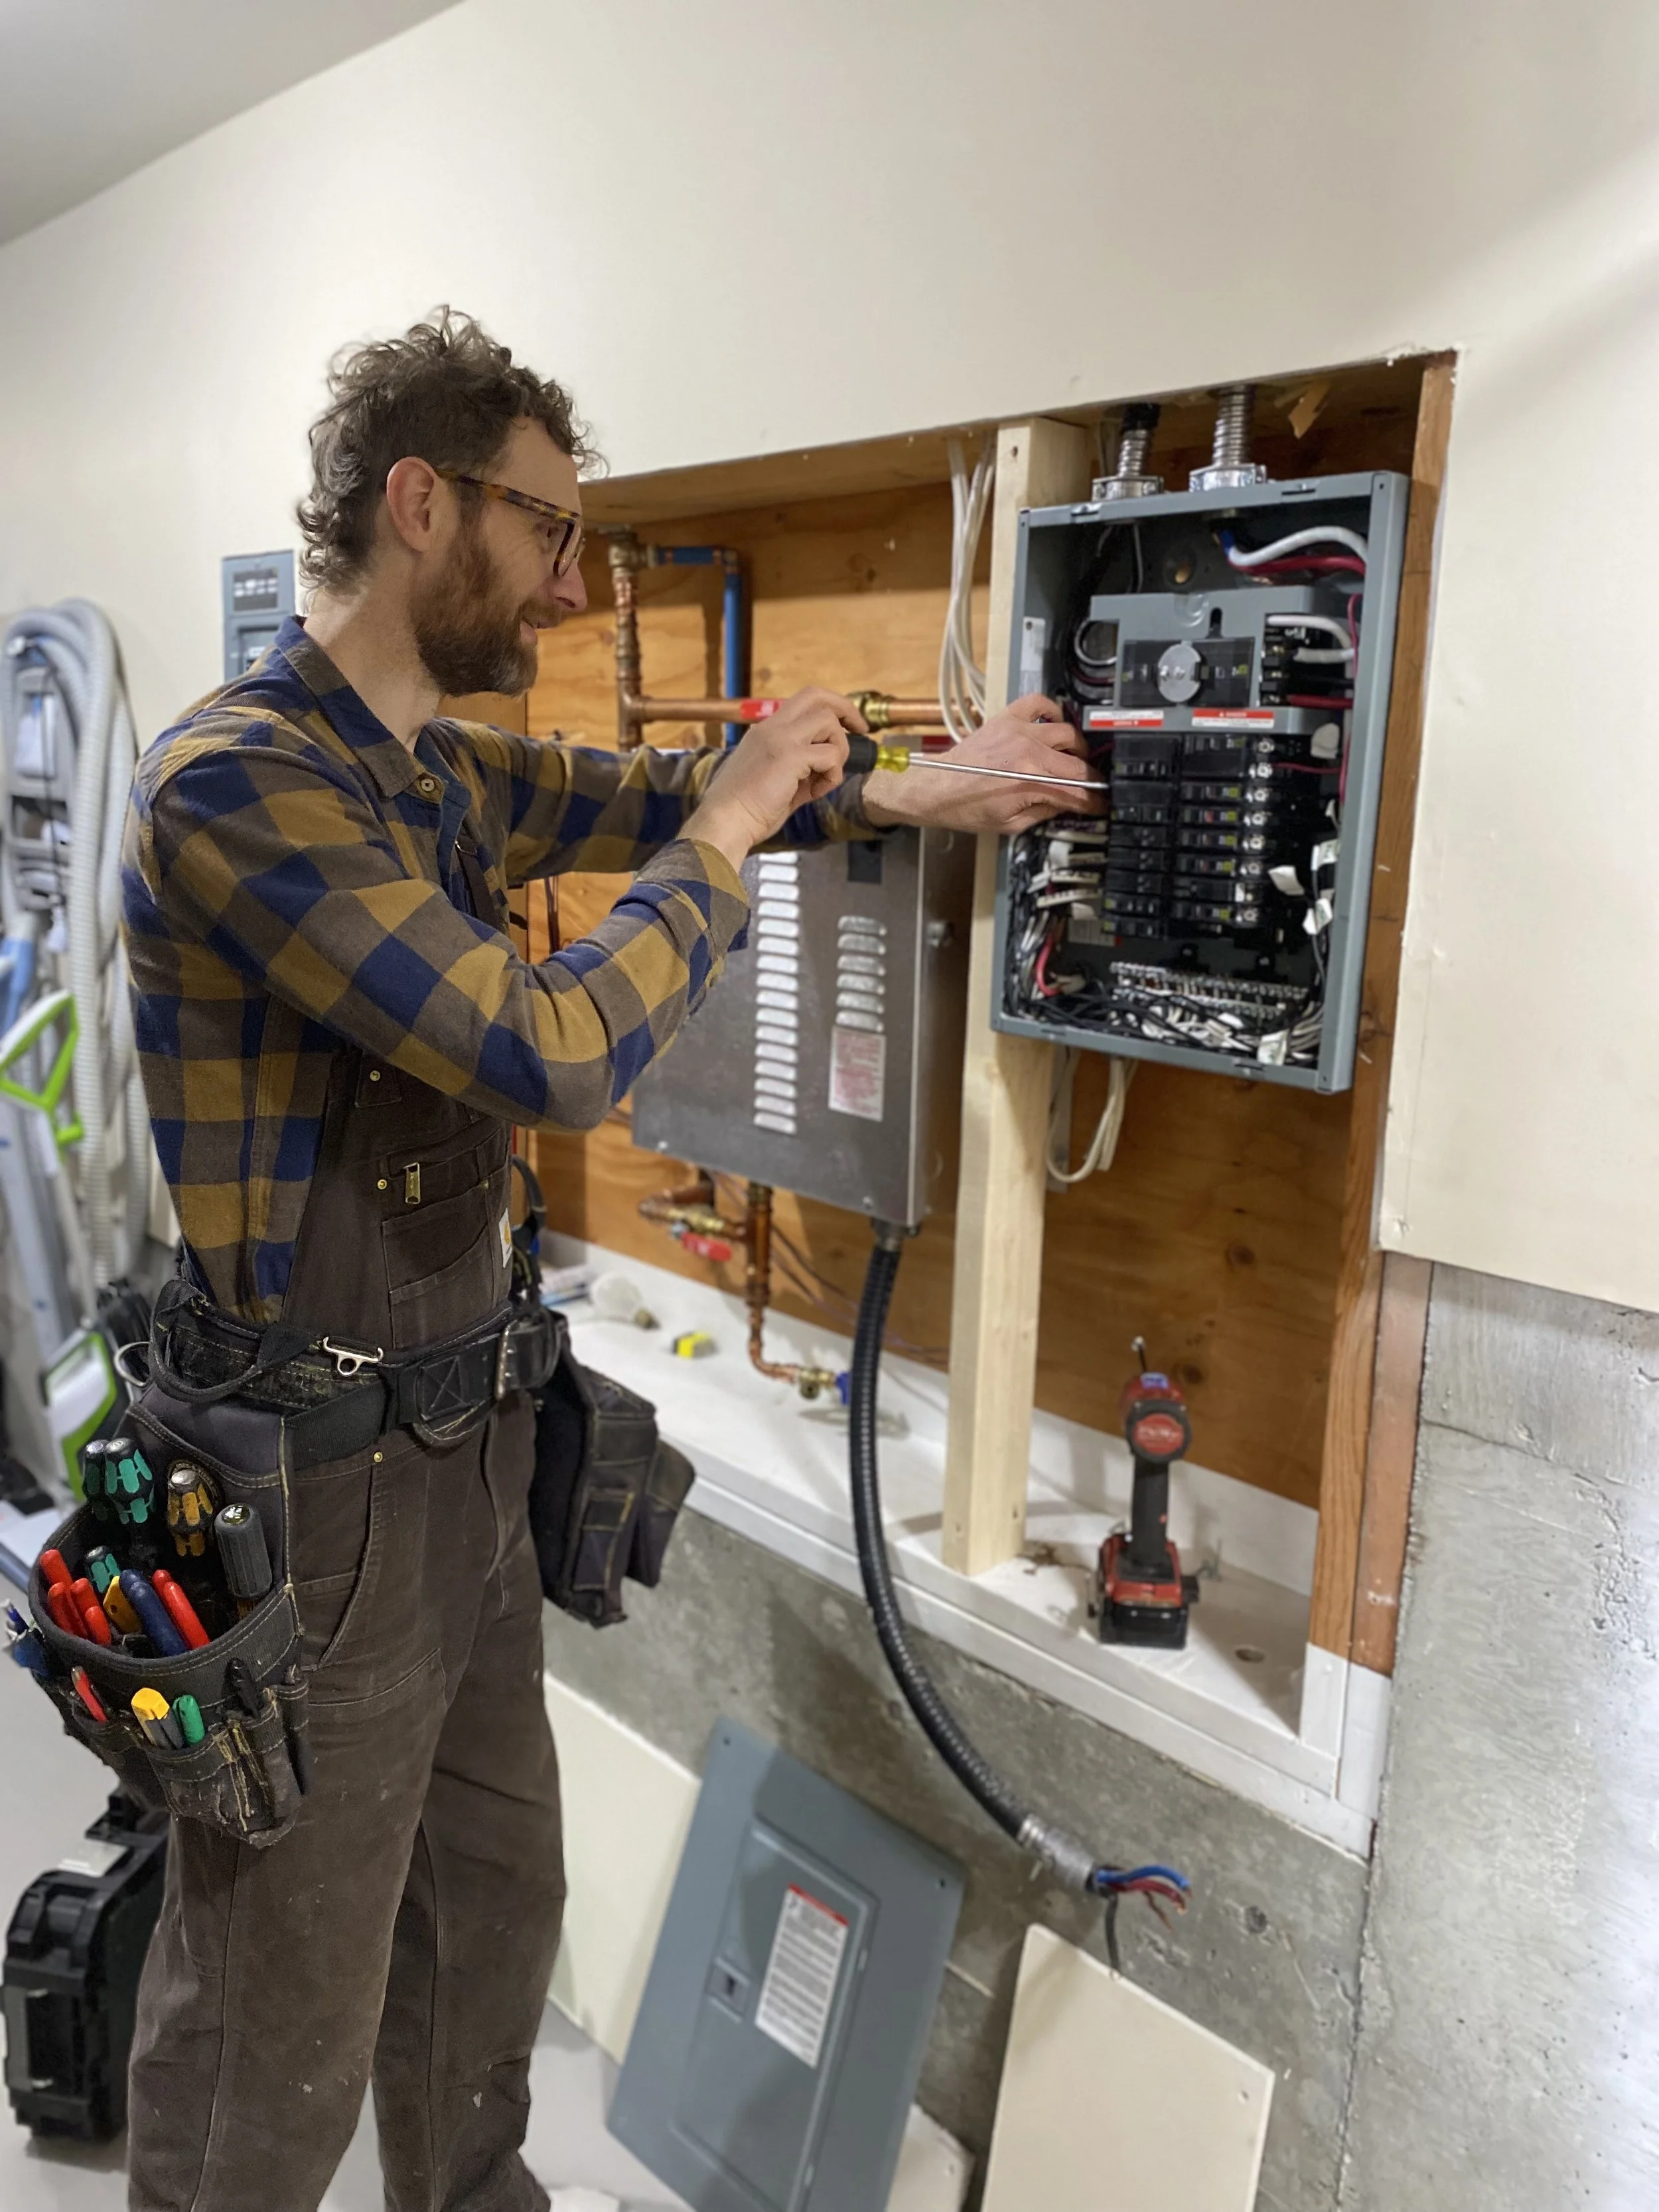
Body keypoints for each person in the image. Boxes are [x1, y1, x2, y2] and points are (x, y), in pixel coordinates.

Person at [117, 307, 1096, 2212]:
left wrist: (896, 786)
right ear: (420, 505)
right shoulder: (235, 789)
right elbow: (547, 1043)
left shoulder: (435, 776)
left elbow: (646, 802)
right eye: (545, 528)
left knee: (486, 1910)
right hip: (311, 1513)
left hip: (467, 1456)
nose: (572, 581)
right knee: (272, 2020)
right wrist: (732, 828)